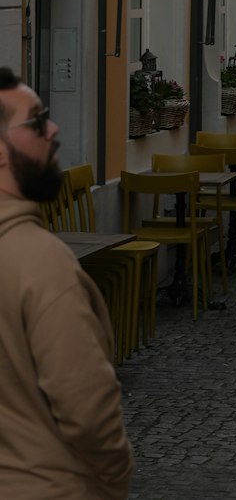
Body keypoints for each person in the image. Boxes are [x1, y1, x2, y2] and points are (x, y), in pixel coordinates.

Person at [0, 67, 134, 498]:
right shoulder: (41, 262)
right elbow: (89, 409)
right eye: (37, 121)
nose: (54, 129)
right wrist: (112, 483)